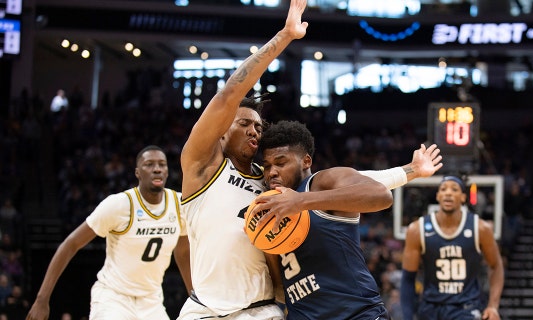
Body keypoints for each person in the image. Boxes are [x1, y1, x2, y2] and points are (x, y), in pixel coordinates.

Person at [174, 1, 309, 319]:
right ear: (222, 132)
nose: (254, 131)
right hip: (203, 310)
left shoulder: (270, 179)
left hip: (259, 309)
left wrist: (408, 172)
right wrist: (285, 36)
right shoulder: (202, 167)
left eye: (259, 127)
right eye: (244, 124)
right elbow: (227, 96)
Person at [249, 120, 444, 319]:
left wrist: (300, 201)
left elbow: (381, 195)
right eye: (267, 166)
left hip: (356, 314)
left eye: (281, 163)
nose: (272, 172)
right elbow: (280, 289)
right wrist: (412, 169)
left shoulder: (321, 182)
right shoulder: (268, 205)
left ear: (306, 161)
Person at [26, 145, 185, 320]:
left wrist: (196, 297)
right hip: (114, 298)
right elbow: (70, 244)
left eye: (162, 164)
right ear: (137, 172)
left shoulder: (178, 205)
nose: (157, 169)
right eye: (149, 164)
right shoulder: (119, 205)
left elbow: (184, 252)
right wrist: (42, 299)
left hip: (152, 301)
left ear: (168, 172)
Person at [400, 175, 504, 320]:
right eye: (443, 189)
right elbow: (408, 278)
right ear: (438, 196)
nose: (448, 192)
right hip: (430, 308)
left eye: (454, 189)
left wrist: (493, 306)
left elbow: (496, 265)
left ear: (463, 197)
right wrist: (407, 316)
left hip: (466, 307)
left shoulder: (480, 228)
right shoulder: (417, 230)